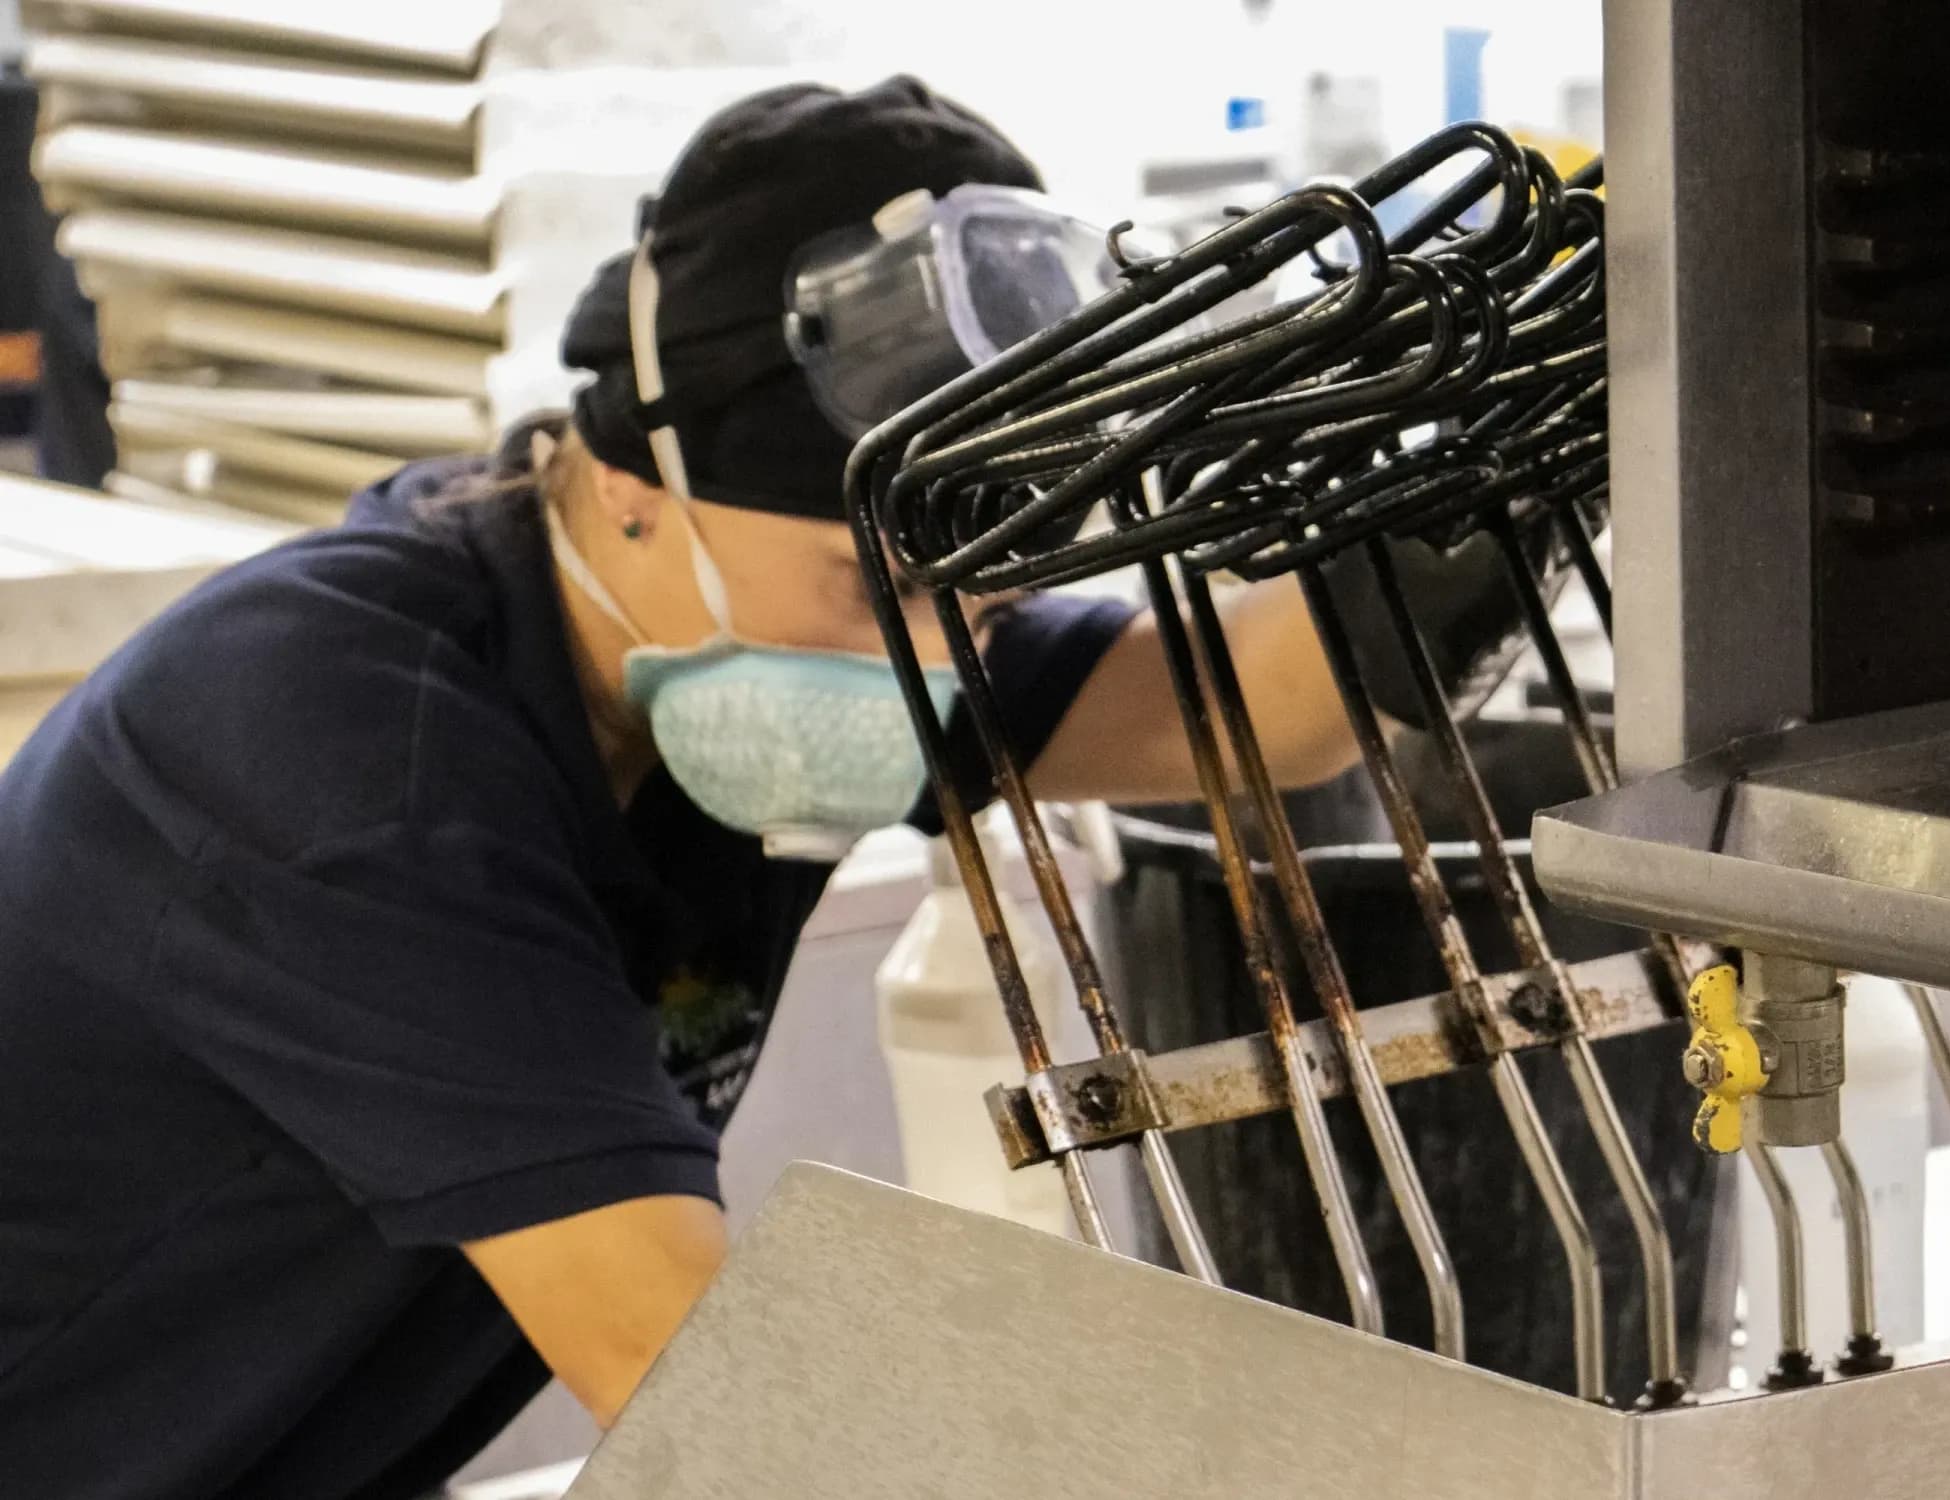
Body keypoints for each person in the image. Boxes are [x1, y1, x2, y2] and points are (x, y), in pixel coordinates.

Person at [0, 78, 1384, 1498]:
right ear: (627, 480)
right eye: (880, 587)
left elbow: (1255, 716)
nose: (933, 657)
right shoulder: (353, 766)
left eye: (979, 604)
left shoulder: (724, 644)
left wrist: (1563, 432)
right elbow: (717, 1392)